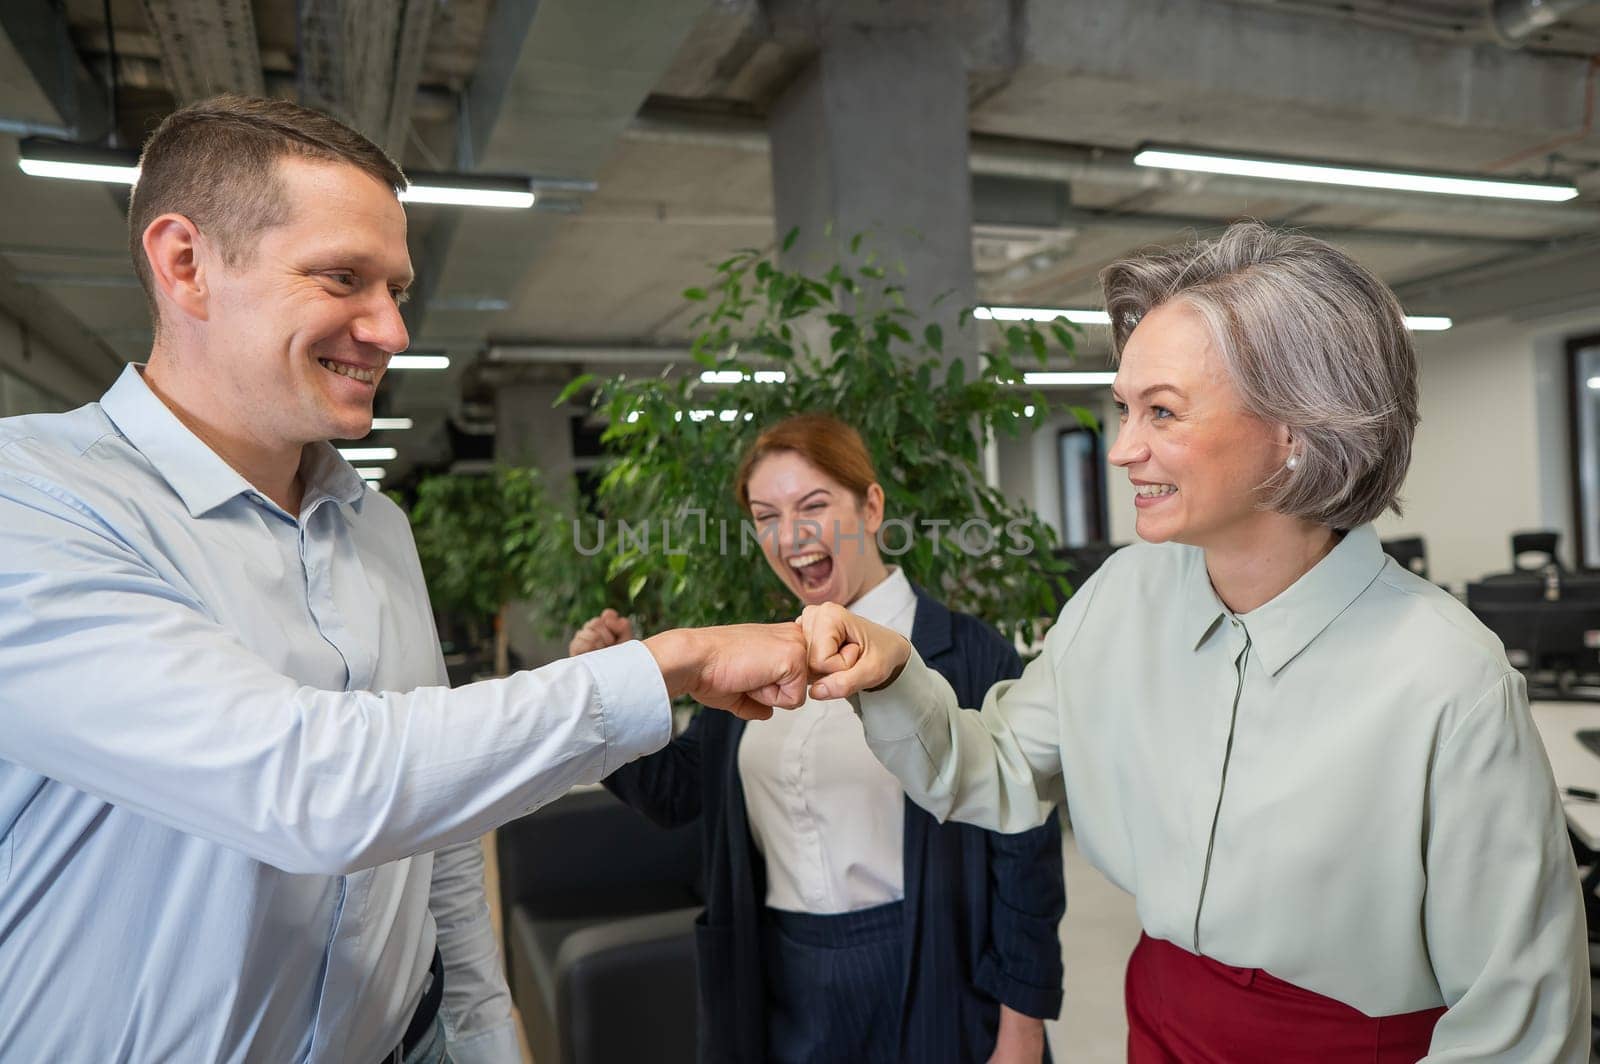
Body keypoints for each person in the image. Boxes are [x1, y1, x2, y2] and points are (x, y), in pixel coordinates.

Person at [0, 95, 812, 1064]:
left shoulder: (375, 524)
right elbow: (307, 784)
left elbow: (433, 839)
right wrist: (673, 664)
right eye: (343, 276)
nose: (388, 327)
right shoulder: (35, 501)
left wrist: (480, 1031)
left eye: (396, 287)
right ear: (186, 263)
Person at [798, 223, 1592, 1061]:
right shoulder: (1123, 597)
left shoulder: (1448, 681)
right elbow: (994, 769)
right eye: (1123, 410)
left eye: (1162, 413)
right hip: (1163, 1034)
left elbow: (1517, 1027)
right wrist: (891, 675)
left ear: (1295, 432)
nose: (1121, 450)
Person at [570, 413, 1066, 1063]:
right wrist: (609, 686)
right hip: (781, 983)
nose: (792, 535)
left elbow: (1024, 858)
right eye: (766, 515)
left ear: (872, 506)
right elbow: (675, 792)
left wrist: (1021, 1032)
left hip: (934, 973)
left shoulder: (968, 655)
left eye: (814, 504)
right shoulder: (757, 656)